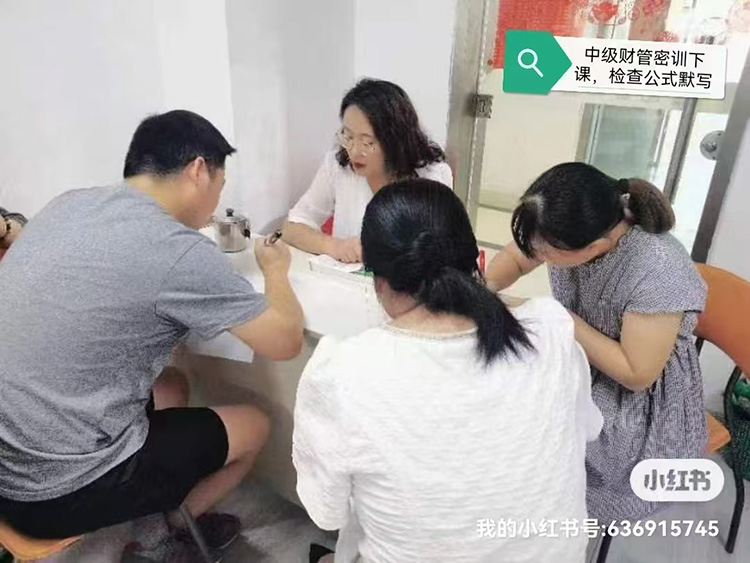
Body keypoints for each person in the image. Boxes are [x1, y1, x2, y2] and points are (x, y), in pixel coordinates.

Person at [0, 110, 304, 560]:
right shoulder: (177, 250)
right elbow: (285, 340)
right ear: (198, 170)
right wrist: (276, 271)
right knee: (255, 425)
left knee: (173, 385)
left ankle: (154, 510)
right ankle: (166, 537)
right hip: (54, 492)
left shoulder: (69, 204)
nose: (215, 204)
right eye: (220, 186)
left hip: (8, 467)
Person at [293, 179, 602, 563]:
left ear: (379, 281)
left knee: (353, 534)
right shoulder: (551, 330)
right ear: (476, 261)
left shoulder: (341, 373)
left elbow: (327, 511)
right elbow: (588, 429)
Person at [485, 163, 707, 524]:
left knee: (529, 438)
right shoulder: (568, 226)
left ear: (597, 246)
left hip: (636, 403)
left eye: (548, 254)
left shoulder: (658, 268)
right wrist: (484, 288)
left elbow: (637, 374)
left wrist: (556, 317)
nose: (539, 256)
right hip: (583, 355)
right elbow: (517, 258)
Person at [283, 78, 453, 263]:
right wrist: (334, 246)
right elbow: (292, 227)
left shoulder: (432, 176)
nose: (355, 151)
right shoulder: (338, 166)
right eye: (348, 137)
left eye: (367, 142)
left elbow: (440, 252)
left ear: (394, 141)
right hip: (343, 279)